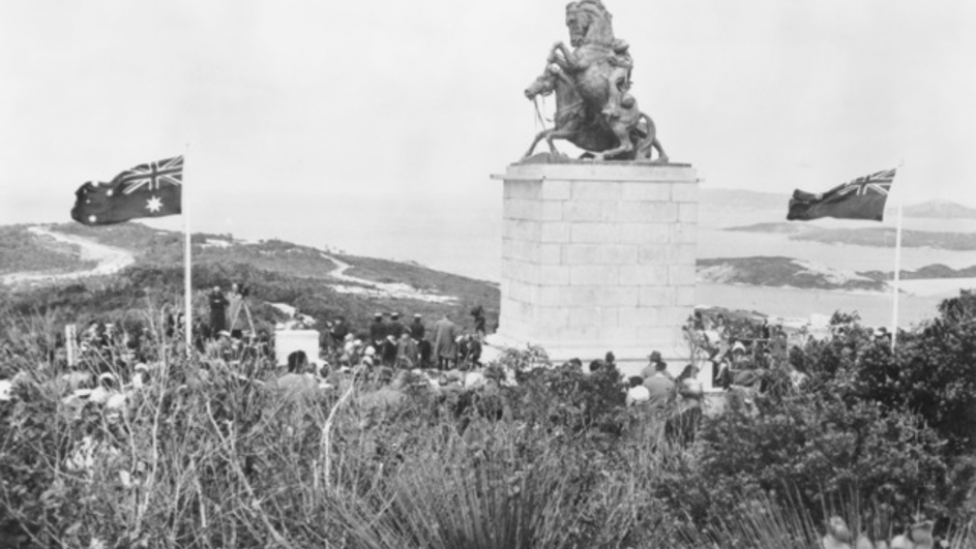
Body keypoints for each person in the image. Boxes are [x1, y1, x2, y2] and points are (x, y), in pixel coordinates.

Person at [670, 364, 704, 445]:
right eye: (695, 373)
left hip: (688, 408)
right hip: (685, 408)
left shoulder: (683, 381)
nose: (696, 375)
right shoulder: (682, 381)